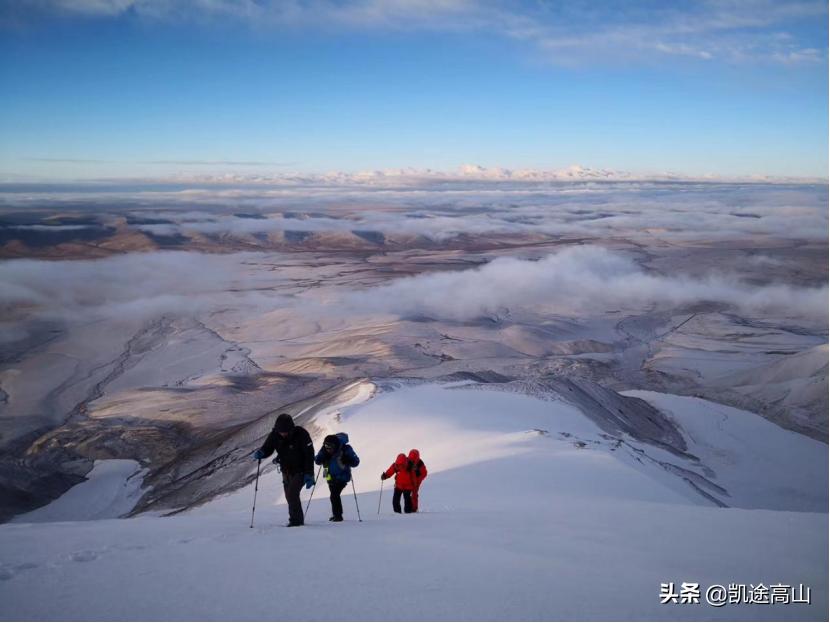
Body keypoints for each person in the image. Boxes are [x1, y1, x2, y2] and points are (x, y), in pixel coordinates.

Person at [253, 412, 315, 527]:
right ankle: (297, 520)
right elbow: (268, 448)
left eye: (285, 431)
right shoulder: (274, 435)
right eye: (281, 431)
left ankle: (296, 522)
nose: (283, 434)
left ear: (291, 428)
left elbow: (309, 454)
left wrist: (309, 473)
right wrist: (261, 453)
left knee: (292, 494)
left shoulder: (301, 434)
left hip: (300, 470)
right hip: (286, 470)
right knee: (289, 496)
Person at [314, 433, 360, 522]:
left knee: (334, 495)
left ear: (335, 445)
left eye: (330, 447)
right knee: (334, 495)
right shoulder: (324, 449)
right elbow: (317, 460)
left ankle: (338, 516)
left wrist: (348, 460)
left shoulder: (345, 448)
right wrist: (320, 458)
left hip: (342, 477)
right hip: (329, 477)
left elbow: (356, 462)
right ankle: (336, 514)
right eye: (326, 447)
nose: (328, 450)